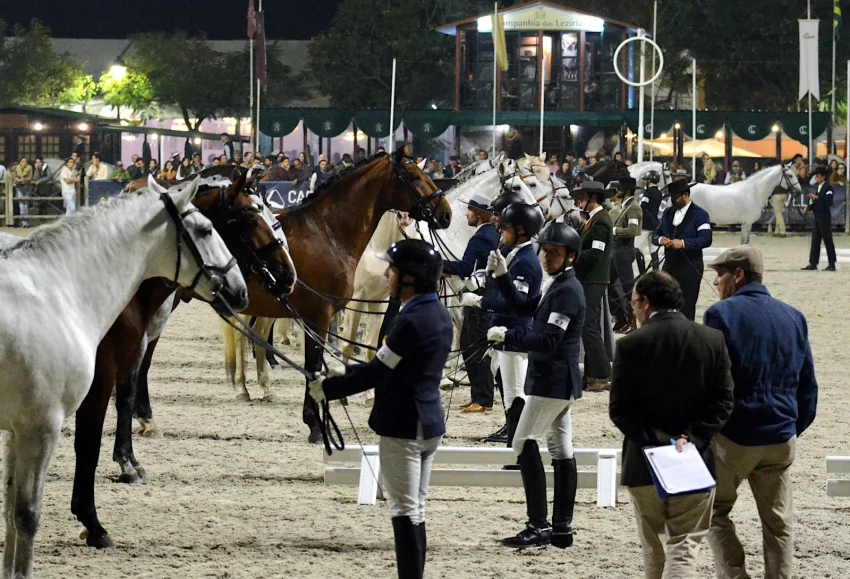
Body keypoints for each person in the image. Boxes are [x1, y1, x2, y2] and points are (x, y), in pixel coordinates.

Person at [308, 239, 452, 579]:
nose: (386, 273)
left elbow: (379, 372)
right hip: (429, 422)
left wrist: (328, 389)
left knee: (403, 511)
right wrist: (343, 373)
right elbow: (389, 366)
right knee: (416, 510)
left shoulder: (410, 321)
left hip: (404, 424)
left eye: (393, 269)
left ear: (409, 279)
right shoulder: (437, 313)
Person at [610, 271, 734, 579]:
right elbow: (723, 402)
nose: (633, 311)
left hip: (643, 463)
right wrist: (688, 439)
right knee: (683, 547)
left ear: (646, 304)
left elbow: (620, 411)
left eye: (634, 304)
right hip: (693, 459)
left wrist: (657, 442)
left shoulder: (630, 345)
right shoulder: (711, 339)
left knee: (655, 550)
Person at [703, 246, 818, 579]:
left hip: (735, 436)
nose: (716, 280)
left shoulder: (720, 314)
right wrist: (792, 426)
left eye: (721, 274)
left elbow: (713, 381)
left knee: (713, 512)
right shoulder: (794, 316)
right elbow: (808, 384)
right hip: (781, 436)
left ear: (738, 276)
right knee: (778, 523)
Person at [486, 222, 585, 549]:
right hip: (556, 381)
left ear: (570, 256)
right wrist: (501, 277)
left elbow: (547, 340)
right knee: (561, 450)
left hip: (552, 381)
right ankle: (561, 528)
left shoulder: (568, 291)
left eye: (555, 253)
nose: (546, 257)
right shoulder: (556, 284)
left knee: (523, 442)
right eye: (545, 251)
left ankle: (538, 524)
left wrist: (508, 335)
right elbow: (524, 307)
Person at [460, 203, 543, 442]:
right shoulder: (512, 255)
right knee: (507, 391)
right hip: (501, 332)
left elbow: (516, 303)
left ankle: (519, 435)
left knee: (516, 392)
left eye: (505, 228)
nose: (500, 233)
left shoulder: (525, 261)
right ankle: (511, 427)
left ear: (521, 230)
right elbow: (502, 291)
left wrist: (480, 302)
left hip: (513, 332)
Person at [444, 193, 499, 413]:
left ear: (477, 214)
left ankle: (483, 399)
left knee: (476, 348)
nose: (466, 215)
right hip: (477, 298)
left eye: (469, 211)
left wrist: (440, 264)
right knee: (469, 346)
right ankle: (478, 395)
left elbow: (466, 267)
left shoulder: (481, 238)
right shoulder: (487, 234)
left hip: (479, 298)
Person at [571, 180, 614, 392]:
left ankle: (601, 374)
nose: (580, 201)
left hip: (594, 280)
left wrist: (572, 257)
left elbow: (596, 253)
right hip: (588, 279)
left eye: (583, 197)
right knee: (588, 327)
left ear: (593, 198)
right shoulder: (592, 220)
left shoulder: (602, 222)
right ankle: (592, 373)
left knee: (590, 326)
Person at [652, 180, 712, 321]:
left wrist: (684, 243)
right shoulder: (668, 213)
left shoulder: (700, 214)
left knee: (687, 305)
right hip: (669, 264)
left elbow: (706, 239)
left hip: (690, 266)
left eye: (675, 197)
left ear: (686, 195)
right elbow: (656, 235)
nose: (672, 200)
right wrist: (662, 240)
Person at [608, 177, 642, 334]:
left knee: (628, 288)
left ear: (627, 190)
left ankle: (632, 322)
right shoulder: (623, 206)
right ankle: (620, 317)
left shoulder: (633, 208)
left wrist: (614, 231)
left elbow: (633, 230)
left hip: (624, 251)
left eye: (620, 188)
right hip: (616, 251)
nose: (617, 191)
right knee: (608, 284)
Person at [801, 166, 837, 271]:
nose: (816, 178)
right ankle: (813, 263)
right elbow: (817, 203)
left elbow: (828, 201)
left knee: (827, 240)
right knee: (815, 240)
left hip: (825, 217)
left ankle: (832, 263)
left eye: (818, 176)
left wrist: (816, 197)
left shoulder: (828, 188)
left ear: (823, 177)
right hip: (817, 217)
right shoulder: (819, 187)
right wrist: (809, 207)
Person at [638, 170, 663, 272]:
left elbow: (643, 206)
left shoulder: (647, 192)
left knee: (637, 249)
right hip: (655, 224)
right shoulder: (659, 193)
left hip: (645, 224)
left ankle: (642, 272)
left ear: (649, 180)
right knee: (653, 250)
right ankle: (656, 271)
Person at [11, 156, 33, 227]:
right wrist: (17, 180)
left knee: (26, 205)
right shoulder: (16, 168)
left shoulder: (29, 167)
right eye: (23, 161)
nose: (24, 163)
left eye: (25, 161)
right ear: (20, 162)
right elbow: (14, 176)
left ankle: (26, 222)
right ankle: (23, 222)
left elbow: (30, 177)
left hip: (26, 187)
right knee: (21, 206)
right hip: (19, 187)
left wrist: (25, 180)